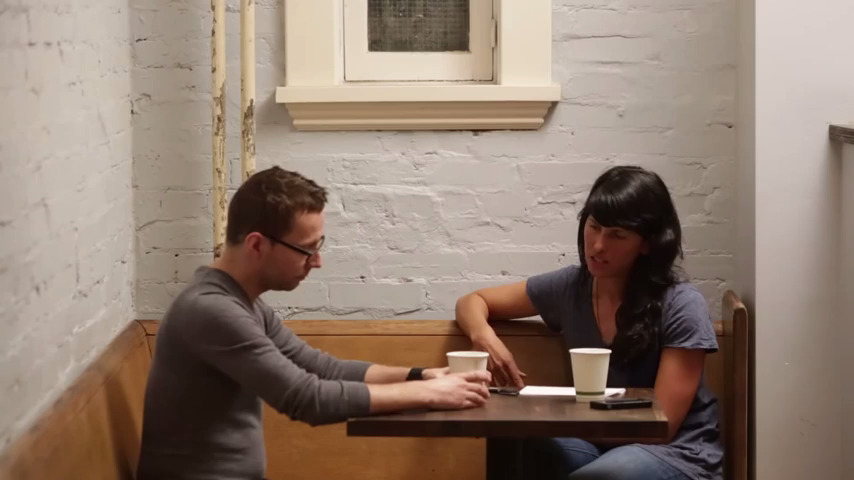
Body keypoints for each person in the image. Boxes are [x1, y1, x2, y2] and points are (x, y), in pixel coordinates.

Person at [136, 167, 491, 480]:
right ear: (257, 245)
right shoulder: (211, 310)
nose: (317, 262)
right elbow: (307, 398)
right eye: (307, 250)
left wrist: (422, 375)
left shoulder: (242, 304)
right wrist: (427, 394)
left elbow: (320, 367)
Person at [455, 165, 722, 479]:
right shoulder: (571, 286)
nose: (597, 245)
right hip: (597, 444)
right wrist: (485, 338)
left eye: (617, 235)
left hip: (676, 452)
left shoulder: (681, 304)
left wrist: (555, 415)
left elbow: (660, 427)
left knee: (598, 477)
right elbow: (472, 302)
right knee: (511, 440)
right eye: (594, 226)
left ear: (647, 244)